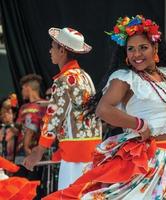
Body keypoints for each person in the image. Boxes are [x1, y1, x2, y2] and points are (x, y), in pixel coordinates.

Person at [44, 15, 166, 199]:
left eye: (143, 48)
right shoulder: (125, 77)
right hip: (148, 159)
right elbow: (103, 109)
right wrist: (139, 124)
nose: (136, 54)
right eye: (131, 49)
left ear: (155, 48)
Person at [23, 27, 102, 190]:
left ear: (62, 50)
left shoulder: (64, 80)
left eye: (52, 46)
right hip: (92, 150)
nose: (50, 50)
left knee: (69, 195)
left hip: (75, 155)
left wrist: (39, 150)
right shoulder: (85, 76)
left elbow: (53, 117)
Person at [16, 74, 48, 156]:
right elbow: (18, 127)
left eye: (22, 88)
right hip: (21, 150)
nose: (22, 92)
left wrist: (27, 147)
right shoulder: (23, 107)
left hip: (38, 150)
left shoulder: (45, 105)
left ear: (27, 87)